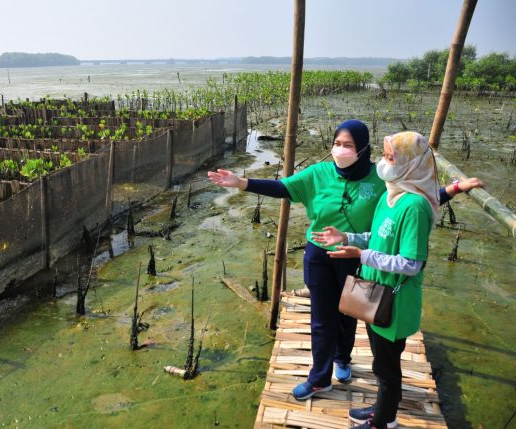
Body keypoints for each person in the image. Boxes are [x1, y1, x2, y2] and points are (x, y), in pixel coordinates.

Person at [207, 120, 483, 401]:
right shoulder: (319, 173)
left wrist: (454, 189)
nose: (340, 150)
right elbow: (282, 188)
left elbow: (415, 201)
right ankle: (319, 378)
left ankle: (343, 358)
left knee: (351, 311)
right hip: (320, 255)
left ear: (363, 149)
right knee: (322, 318)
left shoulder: (380, 178)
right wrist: (242, 183)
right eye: (337, 144)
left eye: (348, 145)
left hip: (356, 255)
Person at [312, 131, 479, 429]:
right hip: (376, 293)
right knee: (379, 362)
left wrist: (361, 256)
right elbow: (375, 237)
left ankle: (384, 421)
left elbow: (411, 264)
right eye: (385, 155)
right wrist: (347, 236)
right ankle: (380, 408)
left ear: (410, 164)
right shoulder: (392, 194)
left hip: (395, 301)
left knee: (388, 369)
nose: (383, 162)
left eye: (390, 158)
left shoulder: (413, 207)